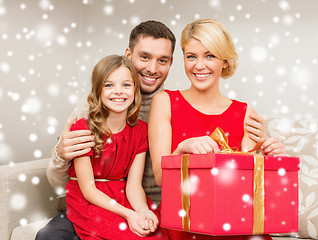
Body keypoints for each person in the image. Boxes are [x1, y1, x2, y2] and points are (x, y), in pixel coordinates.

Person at [36, 20, 267, 240]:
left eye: (162, 60)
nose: (152, 68)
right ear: (128, 56)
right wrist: (60, 154)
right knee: (50, 236)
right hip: (91, 205)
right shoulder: (94, 107)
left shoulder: (159, 109)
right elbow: (58, 182)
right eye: (144, 57)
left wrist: (263, 148)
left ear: (171, 63)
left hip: (141, 204)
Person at [148, 19, 285, 239]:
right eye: (191, 56)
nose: (199, 65)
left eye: (209, 56)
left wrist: (273, 159)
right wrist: (183, 148)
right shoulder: (165, 102)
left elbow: (248, 187)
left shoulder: (245, 112)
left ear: (225, 62)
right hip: (185, 222)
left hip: (233, 221)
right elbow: (160, 177)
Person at [61, 54, 168, 239]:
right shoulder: (83, 128)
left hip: (122, 196)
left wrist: (142, 211)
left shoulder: (141, 131)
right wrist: (129, 214)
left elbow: (133, 186)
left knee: (155, 231)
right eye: (109, 85)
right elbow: (88, 190)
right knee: (125, 235)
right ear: (98, 91)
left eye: (126, 85)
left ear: (135, 90)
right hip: (89, 200)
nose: (118, 91)